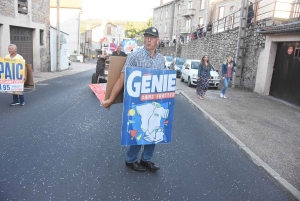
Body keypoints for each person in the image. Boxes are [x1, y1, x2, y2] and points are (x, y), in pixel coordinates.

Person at [101, 27, 164, 172]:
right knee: (139, 129)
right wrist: (110, 99)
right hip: (139, 102)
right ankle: (130, 160)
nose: (148, 39)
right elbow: (121, 79)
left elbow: (162, 81)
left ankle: (146, 159)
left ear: (157, 40)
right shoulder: (134, 56)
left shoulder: (161, 59)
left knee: (153, 130)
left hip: (154, 101)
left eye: (152, 37)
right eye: (146, 36)